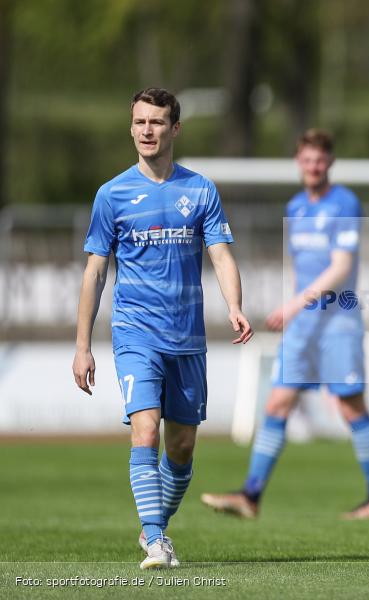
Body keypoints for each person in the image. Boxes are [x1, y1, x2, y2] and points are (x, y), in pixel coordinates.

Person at [72, 88, 254, 570]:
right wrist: (83, 345)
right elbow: (94, 272)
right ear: (131, 128)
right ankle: (156, 540)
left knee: (182, 447)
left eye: (156, 122)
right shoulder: (111, 195)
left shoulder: (200, 190)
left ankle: (155, 524)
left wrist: (234, 304)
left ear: (174, 129)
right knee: (145, 431)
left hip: (188, 339)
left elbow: (220, 254)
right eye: (139, 122)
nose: (146, 131)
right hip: (135, 334)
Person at [200, 129, 369, 520]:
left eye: (320, 160)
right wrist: (295, 311)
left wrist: (292, 305)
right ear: (298, 162)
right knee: (277, 402)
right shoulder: (296, 206)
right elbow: (299, 271)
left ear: (330, 163)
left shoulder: (344, 203)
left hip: (337, 320)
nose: (313, 167)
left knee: (352, 408)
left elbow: (341, 267)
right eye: (307, 160)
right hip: (304, 326)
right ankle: (250, 495)